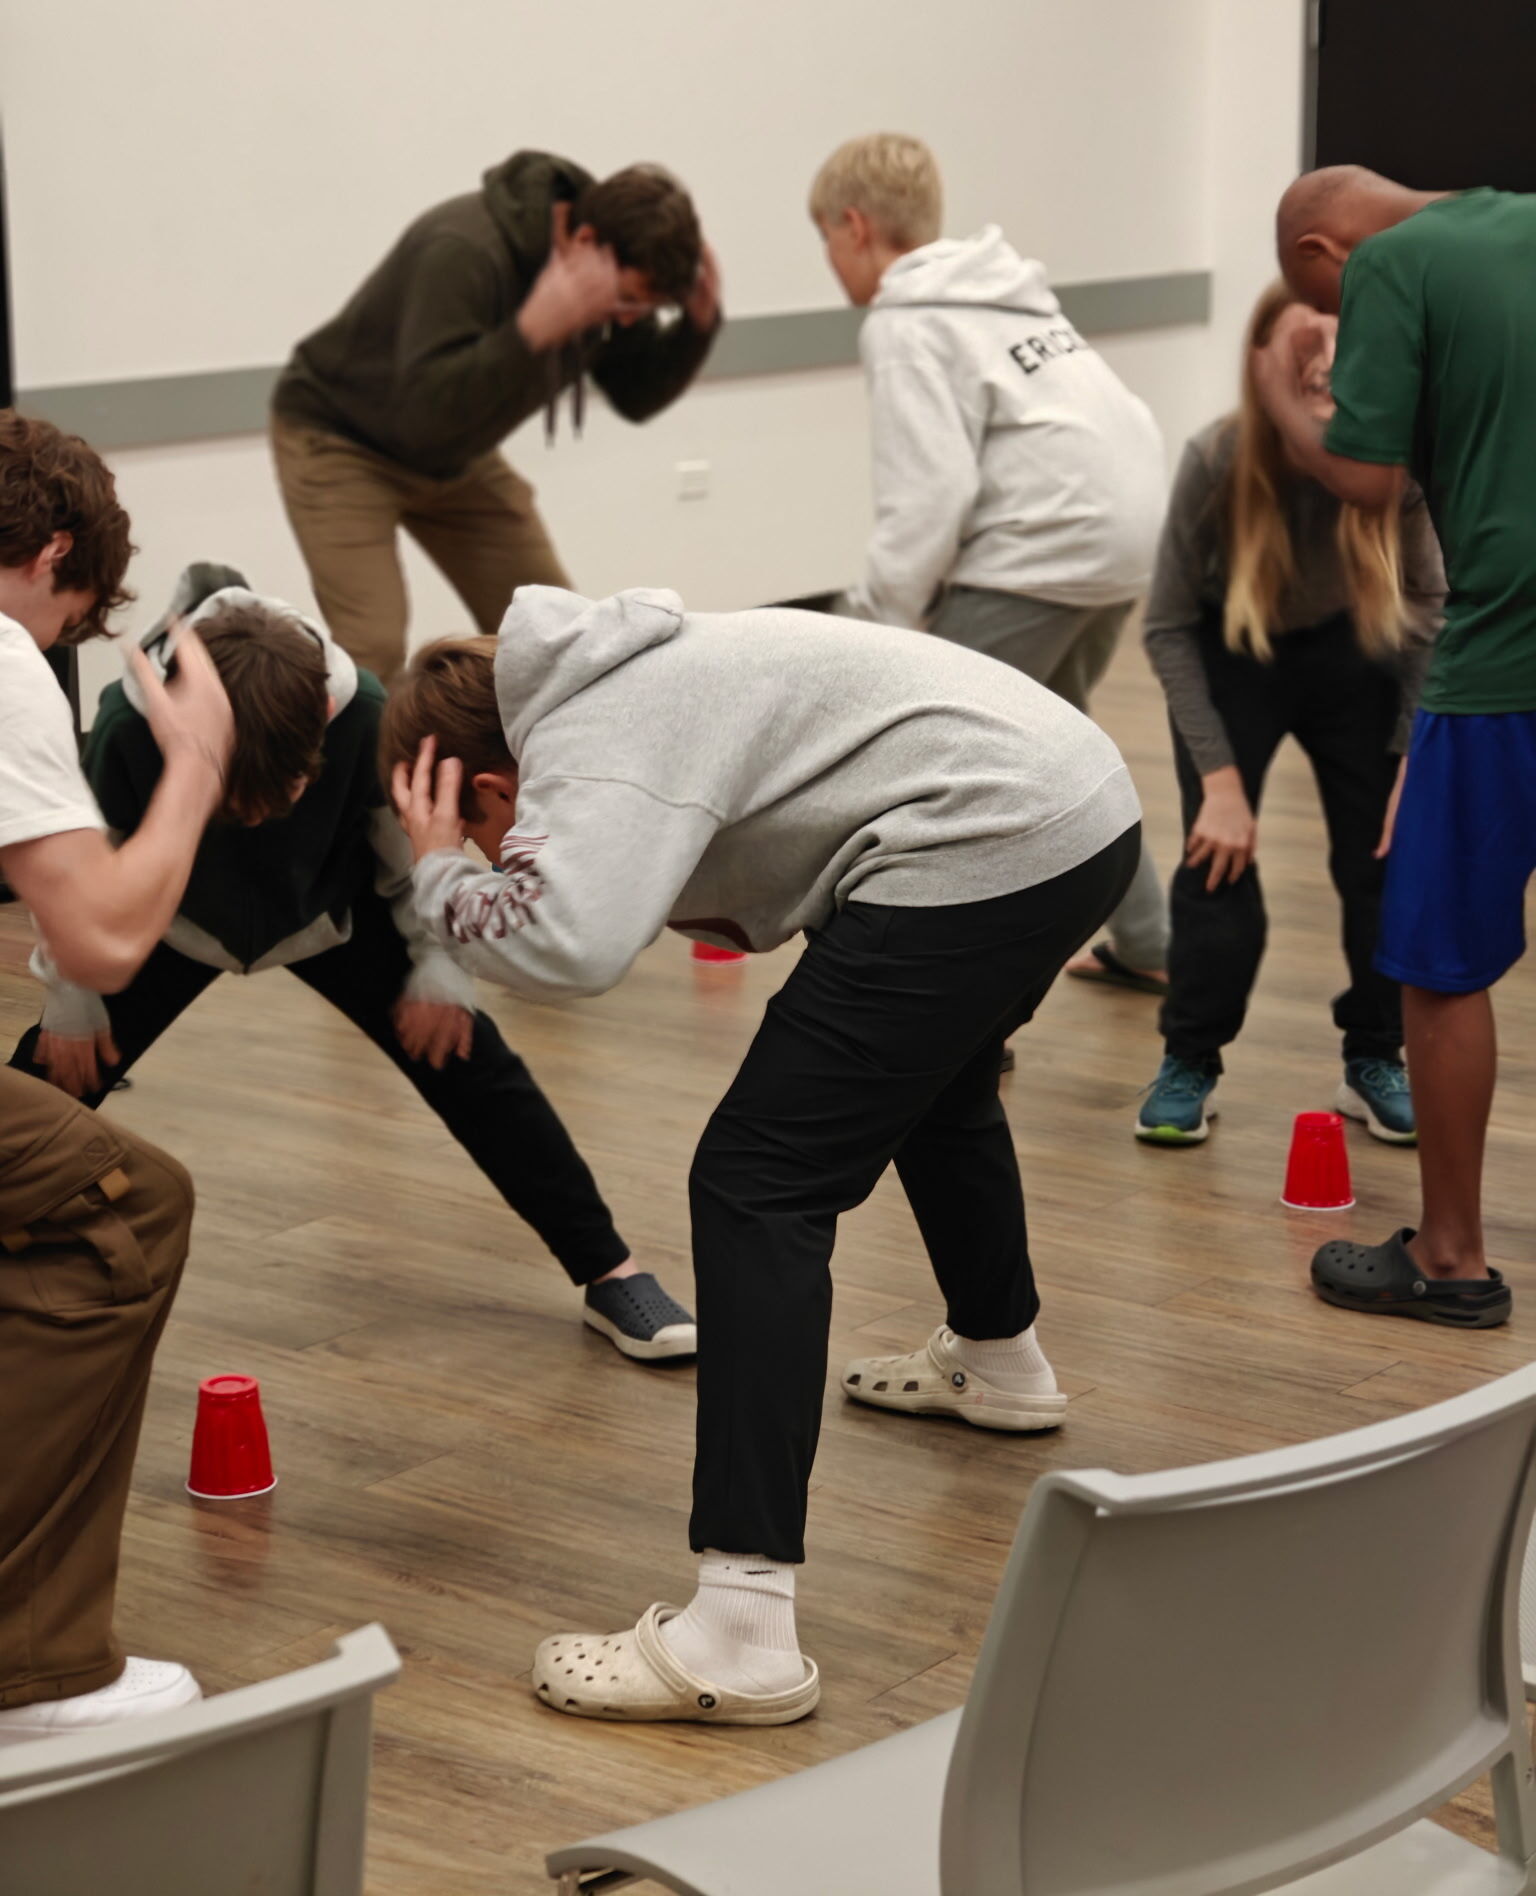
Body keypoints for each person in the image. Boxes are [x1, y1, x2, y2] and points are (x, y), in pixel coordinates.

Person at [380, 582, 1141, 1724]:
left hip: (987, 832)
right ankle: (1000, 1357)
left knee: (755, 1180)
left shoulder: (590, 746)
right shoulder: (600, 690)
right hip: (1072, 807)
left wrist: (443, 874)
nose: (496, 852)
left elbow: (572, 943)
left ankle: (739, 1629)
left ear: (489, 786)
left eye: (481, 829)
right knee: (934, 1084)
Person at [11, 565, 694, 1361]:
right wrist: (73, 998)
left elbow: (409, 859)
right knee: (51, 1081)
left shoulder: (365, 713)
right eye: (244, 802)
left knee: (473, 1062)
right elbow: (81, 872)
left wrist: (441, 968)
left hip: (338, 908)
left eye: (287, 794)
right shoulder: (132, 722)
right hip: (168, 915)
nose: (264, 815)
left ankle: (611, 1271)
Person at [1264, 164, 1536, 1328]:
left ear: (1325, 250)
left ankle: (1452, 1254)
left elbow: (1367, 476)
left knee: (1436, 959)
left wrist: (1286, 390)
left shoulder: (1386, 266)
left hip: (1508, 654)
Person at [0, 412, 235, 1741]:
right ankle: (26, 1674)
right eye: (69, 620)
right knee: (122, 1205)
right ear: (51, 551)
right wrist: (192, 765)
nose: (59, 648)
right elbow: (102, 932)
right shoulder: (0, 649)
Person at [807, 131, 1169, 993]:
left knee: (940, 769)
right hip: (1120, 543)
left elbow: (928, 496)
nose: (829, 260)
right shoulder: (1007, 295)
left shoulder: (905, 320)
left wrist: (878, 627)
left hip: (1036, 557)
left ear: (855, 227)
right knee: (1070, 730)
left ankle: (940, 1007)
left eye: (823, 240)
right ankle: (1154, 939)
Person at [1136, 282, 1444, 1146]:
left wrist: (1412, 758)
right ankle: (1189, 1058)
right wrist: (1220, 785)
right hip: (1230, 650)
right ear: (1264, 366)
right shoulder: (1218, 459)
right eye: (1303, 348)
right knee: (1218, 861)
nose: (1325, 366)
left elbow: (1426, 613)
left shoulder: (1394, 461)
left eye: (1341, 348)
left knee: (1382, 856)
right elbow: (1162, 626)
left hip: (1349, 650)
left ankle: (1373, 1055)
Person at [270, 150, 723, 682]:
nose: (625, 320)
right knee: (373, 647)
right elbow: (424, 411)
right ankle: (363, 766)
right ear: (585, 242)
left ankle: (549, 762)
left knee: (560, 632)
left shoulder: (606, 276)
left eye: (641, 311)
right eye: (624, 300)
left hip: (455, 450)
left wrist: (698, 326)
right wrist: (531, 329)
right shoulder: (463, 249)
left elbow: (635, 396)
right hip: (341, 440)